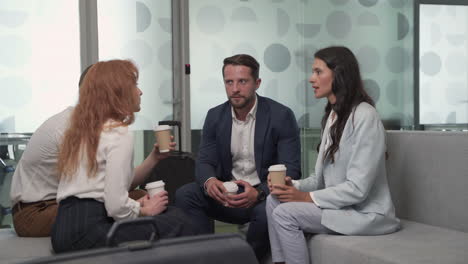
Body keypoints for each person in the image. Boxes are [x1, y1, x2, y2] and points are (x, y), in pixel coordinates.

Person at [266, 46, 401, 264]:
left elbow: (358, 189)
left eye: (318, 72)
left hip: (367, 215)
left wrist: (306, 198)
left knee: (285, 213)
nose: (311, 79)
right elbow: (320, 181)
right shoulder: (333, 117)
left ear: (338, 74)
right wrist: (294, 186)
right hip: (340, 208)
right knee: (273, 201)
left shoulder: (365, 116)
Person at [51, 60, 194, 253]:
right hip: (90, 231)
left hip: (62, 230)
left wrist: (135, 203)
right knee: (180, 221)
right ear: (118, 92)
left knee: (171, 215)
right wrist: (143, 210)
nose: (140, 92)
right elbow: (117, 207)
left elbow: (102, 190)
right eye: (134, 85)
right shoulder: (119, 133)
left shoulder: (82, 132)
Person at [175, 54, 301, 261]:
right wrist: (210, 182)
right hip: (227, 193)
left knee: (267, 210)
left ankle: (246, 259)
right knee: (185, 195)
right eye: (229, 82)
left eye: (242, 81)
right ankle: (205, 258)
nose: (235, 89)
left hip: (261, 196)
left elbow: (292, 169)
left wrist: (259, 193)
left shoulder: (281, 116)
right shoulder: (215, 116)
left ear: (257, 83)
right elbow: (204, 160)